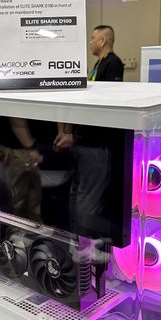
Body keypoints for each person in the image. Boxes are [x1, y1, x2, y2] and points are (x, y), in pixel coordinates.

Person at [53, 25, 124, 240]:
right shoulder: (98, 65)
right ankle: (77, 242)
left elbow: (104, 110)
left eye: (93, 38)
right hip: (84, 145)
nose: (90, 42)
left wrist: (74, 136)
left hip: (95, 145)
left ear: (102, 41)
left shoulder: (112, 64)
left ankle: (84, 249)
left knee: (87, 202)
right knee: (78, 196)